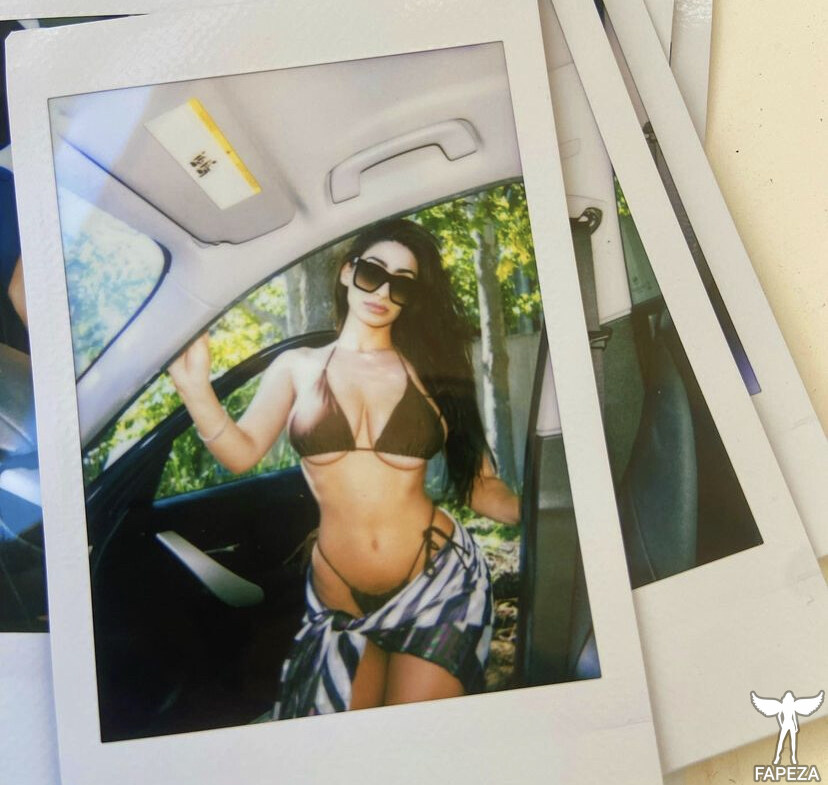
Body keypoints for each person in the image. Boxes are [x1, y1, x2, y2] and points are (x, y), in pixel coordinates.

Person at [169, 218, 519, 718]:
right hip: (338, 600)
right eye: (373, 273)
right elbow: (241, 452)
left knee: (415, 743)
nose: (383, 292)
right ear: (347, 271)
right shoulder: (296, 366)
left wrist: (549, 511)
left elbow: (481, 485)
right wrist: (195, 390)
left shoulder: (435, 375)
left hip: (439, 584)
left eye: (402, 284)